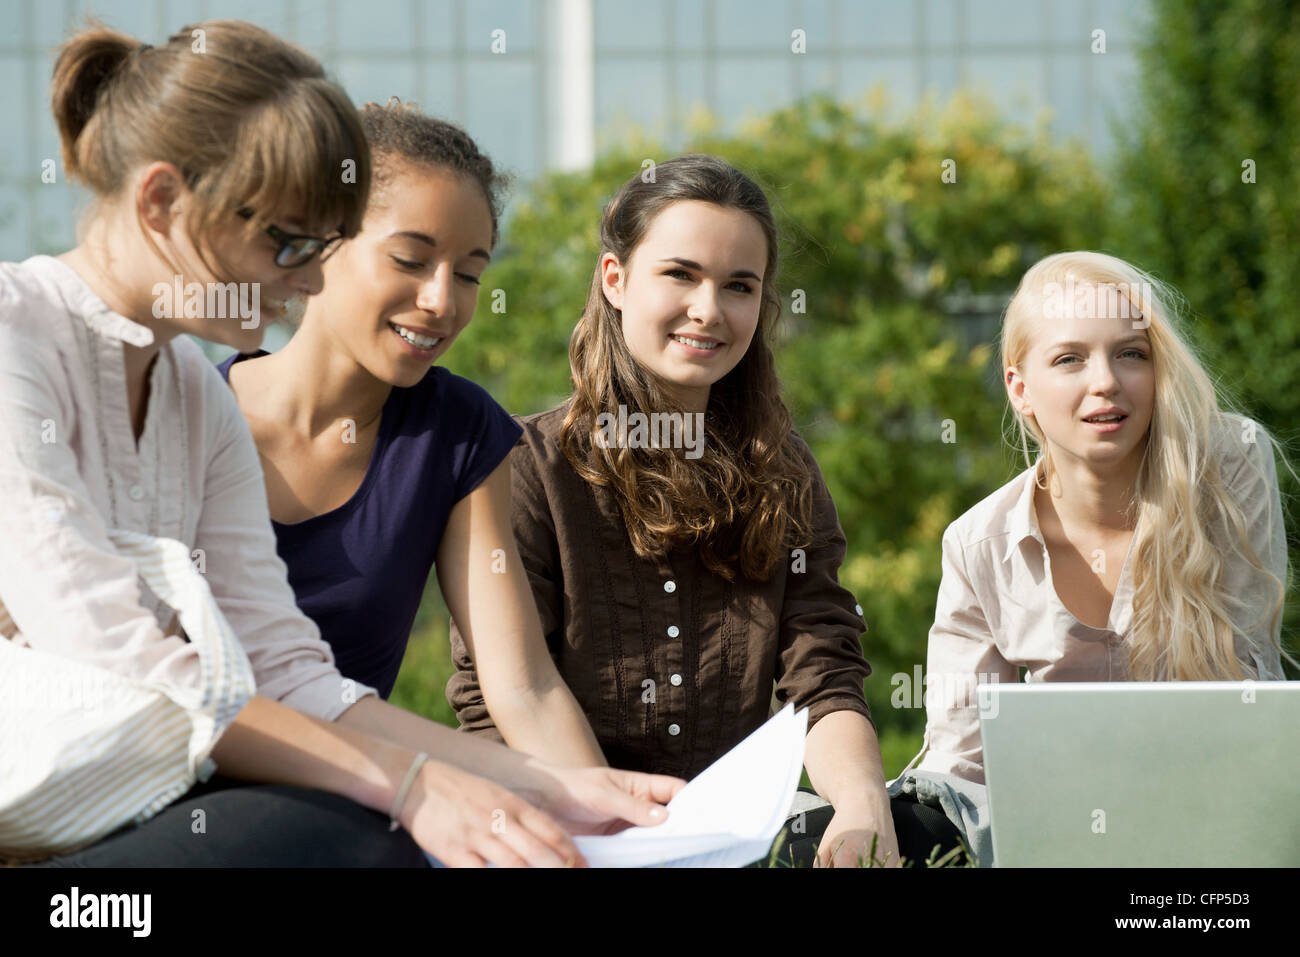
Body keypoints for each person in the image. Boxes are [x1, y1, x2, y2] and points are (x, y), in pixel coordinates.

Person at [1, 21, 681, 869]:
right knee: (369, 832)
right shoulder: (14, 337)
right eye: (288, 243)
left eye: (321, 246)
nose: (309, 279)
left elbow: (283, 670)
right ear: (163, 202)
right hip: (50, 831)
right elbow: (133, 674)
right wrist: (409, 782)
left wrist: (557, 786)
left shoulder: (189, 398)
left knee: (370, 837)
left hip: (130, 817)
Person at [447, 154, 966, 867]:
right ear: (615, 279)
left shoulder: (784, 468)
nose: (709, 309)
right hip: (554, 820)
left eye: (739, 286)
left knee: (924, 837)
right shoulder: (524, 466)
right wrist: (631, 836)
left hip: (734, 835)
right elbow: (504, 694)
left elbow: (821, 672)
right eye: (680, 274)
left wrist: (861, 807)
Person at [215, 100, 607, 769]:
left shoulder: (456, 435)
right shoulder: (189, 413)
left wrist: (622, 826)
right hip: (171, 784)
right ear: (322, 242)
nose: (441, 300)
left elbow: (525, 687)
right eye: (410, 259)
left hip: (348, 798)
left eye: (470, 273)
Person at [912, 250, 1293, 788]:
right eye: (1070, 359)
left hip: (1215, 802)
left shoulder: (1229, 467)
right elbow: (959, 762)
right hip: (1055, 820)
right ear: (1020, 389)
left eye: (1131, 354)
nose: (1106, 381)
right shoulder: (978, 546)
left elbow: (1253, 693)